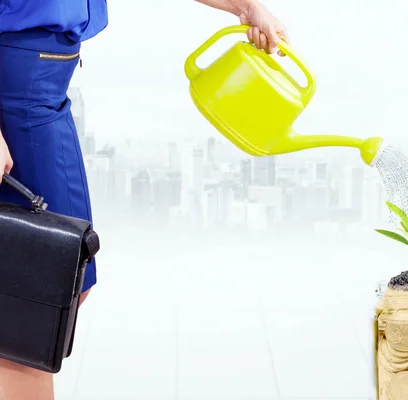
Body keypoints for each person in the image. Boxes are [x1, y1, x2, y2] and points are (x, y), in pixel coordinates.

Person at [0, 0, 288, 398]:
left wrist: (245, 7)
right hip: (15, 97)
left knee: (63, 279)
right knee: (34, 293)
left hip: (45, 94)